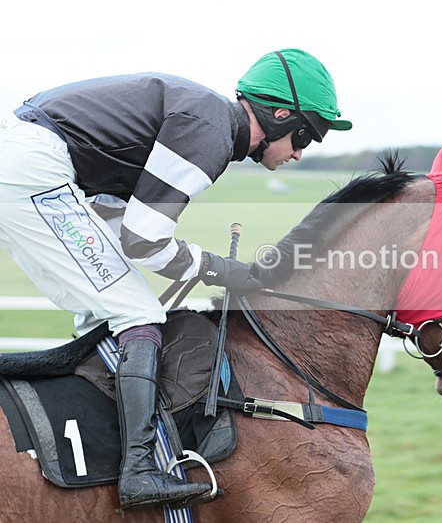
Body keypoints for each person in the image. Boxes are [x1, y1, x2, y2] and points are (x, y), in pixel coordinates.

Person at [0, 48, 351, 510]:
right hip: (34, 169)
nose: (301, 152)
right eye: (306, 135)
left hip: (38, 166)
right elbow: (144, 240)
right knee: (136, 311)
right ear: (280, 114)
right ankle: (139, 472)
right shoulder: (209, 131)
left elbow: (122, 226)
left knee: (111, 313)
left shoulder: (205, 121)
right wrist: (222, 269)